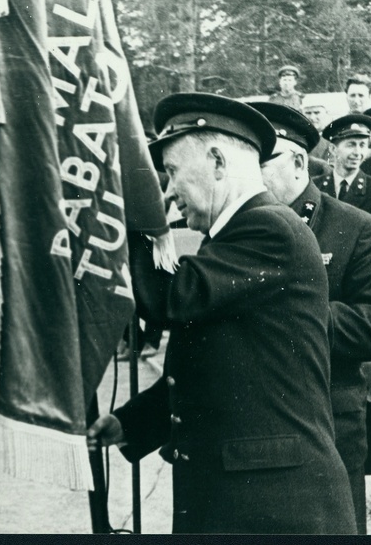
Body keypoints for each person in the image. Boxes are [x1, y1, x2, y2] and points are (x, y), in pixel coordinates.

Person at [86, 93, 355, 534]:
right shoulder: (233, 234)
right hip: (246, 493)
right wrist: (129, 423)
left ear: (216, 161)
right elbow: (216, 365)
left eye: (171, 172)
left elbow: (169, 298)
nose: (168, 192)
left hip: (274, 504)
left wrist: (123, 213)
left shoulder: (269, 227)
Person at [253, 101, 371, 534]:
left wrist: (292, 315)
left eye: (260, 163)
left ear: (299, 162)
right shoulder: (237, 232)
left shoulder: (356, 227)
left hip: (326, 429)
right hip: (251, 436)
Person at [314, 114, 371, 237]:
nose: (358, 152)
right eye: (351, 145)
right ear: (333, 149)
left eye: (362, 145)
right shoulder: (315, 187)